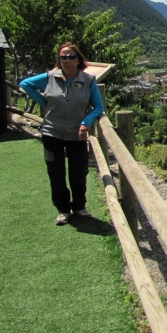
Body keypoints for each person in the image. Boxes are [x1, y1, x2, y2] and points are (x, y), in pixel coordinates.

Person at [20, 42, 104, 225]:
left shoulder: (88, 81)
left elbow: (99, 107)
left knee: (79, 172)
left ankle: (80, 207)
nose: (67, 60)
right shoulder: (50, 77)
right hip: (51, 132)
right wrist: (44, 102)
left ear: (78, 59)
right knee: (55, 172)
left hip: (77, 134)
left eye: (71, 56)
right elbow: (25, 84)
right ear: (59, 60)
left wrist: (86, 122)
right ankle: (63, 209)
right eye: (63, 57)